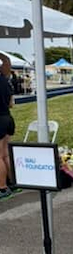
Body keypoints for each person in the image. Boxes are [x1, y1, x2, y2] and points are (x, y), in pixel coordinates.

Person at [0, 54, 16, 199]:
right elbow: (11, 103)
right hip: (7, 117)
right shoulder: (5, 80)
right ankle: (12, 183)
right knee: (5, 154)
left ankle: (2, 187)